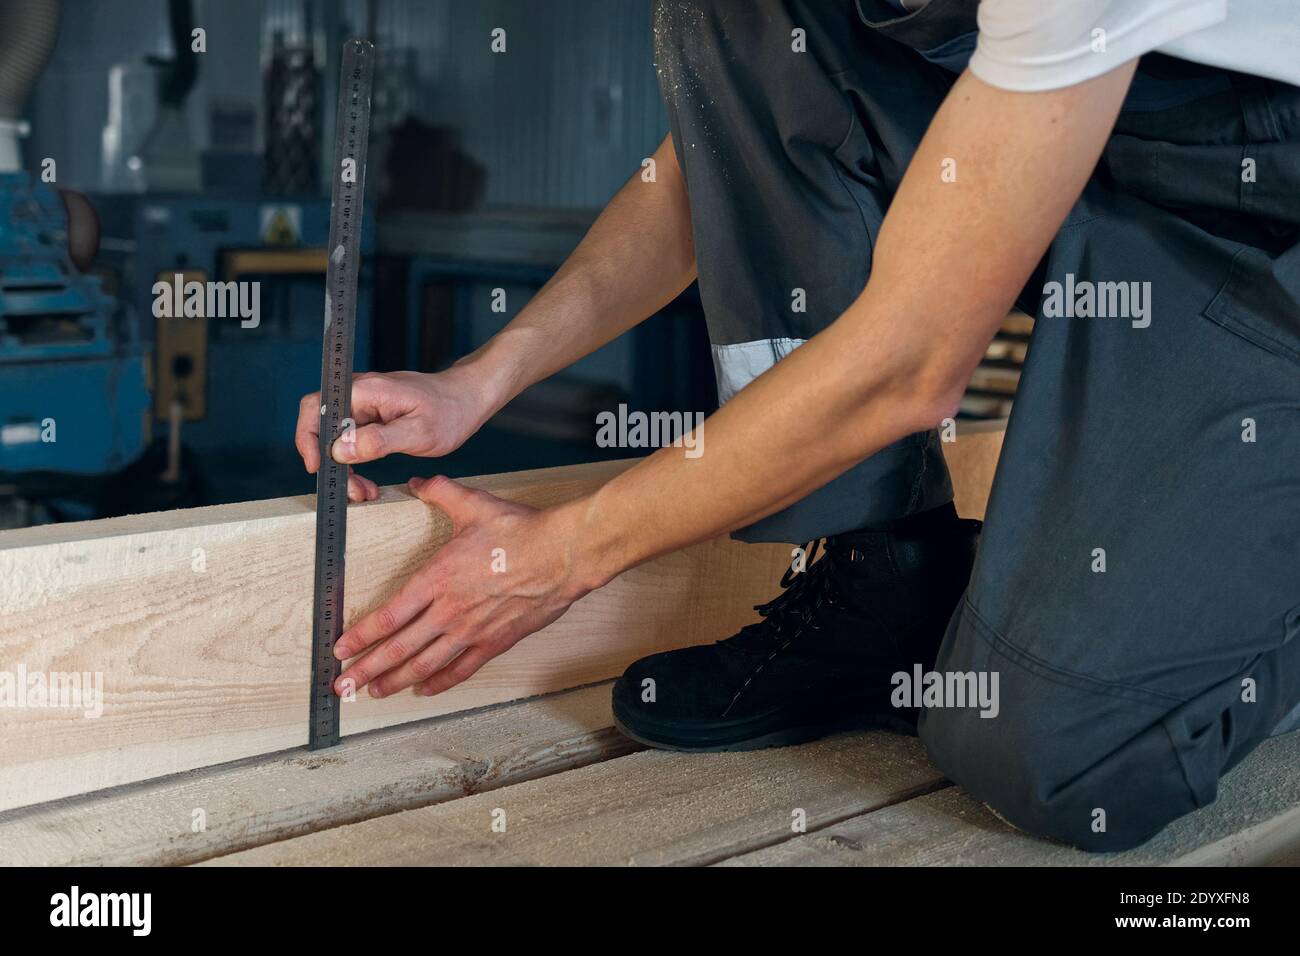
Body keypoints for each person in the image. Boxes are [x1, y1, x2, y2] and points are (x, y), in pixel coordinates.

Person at [295, 0, 1300, 852]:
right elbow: (718, 161)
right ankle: (884, 579)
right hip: (1106, 152)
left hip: (1268, 230)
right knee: (745, 18)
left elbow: (910, 363)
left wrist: (566, 552)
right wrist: (479, 381)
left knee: (1055, 757)